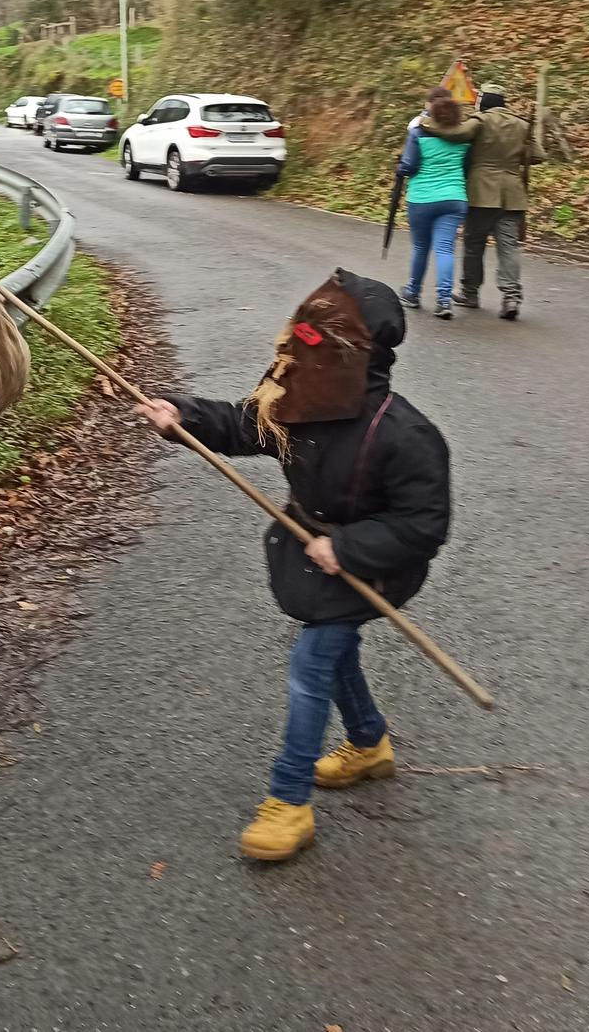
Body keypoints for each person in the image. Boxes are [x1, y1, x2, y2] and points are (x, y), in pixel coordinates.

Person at [135, 271, 452, 862]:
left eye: (318, 339)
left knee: (313, 660)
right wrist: (181, 415)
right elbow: (242, 424)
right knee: (333, 650)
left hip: (375, 566)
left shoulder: (406, 435)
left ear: (358, 352)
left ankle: (289, 801)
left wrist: (351, 548)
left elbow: (424, 524)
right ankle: (369, 743)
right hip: (311, 547)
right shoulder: (303, 403)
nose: (298, 349)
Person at [459, 82, 547, 321]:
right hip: (512, 193)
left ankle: (470, 292)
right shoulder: (522, 124)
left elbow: (458, 138)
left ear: (484, 101)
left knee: (474, 244)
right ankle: (511, 296)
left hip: (481, 191)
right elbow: (538, 156)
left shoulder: (480, 121)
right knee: (508, 247)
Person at [398, 88, 479, 319]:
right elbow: (466, 168)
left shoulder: (419, 134)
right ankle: (444, 300)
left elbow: (409, 165)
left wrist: (400, 168)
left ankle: (413, 293)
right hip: (454, 198)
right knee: (445, 248)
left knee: (421, 247)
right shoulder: (464, 137)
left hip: (422, 197)